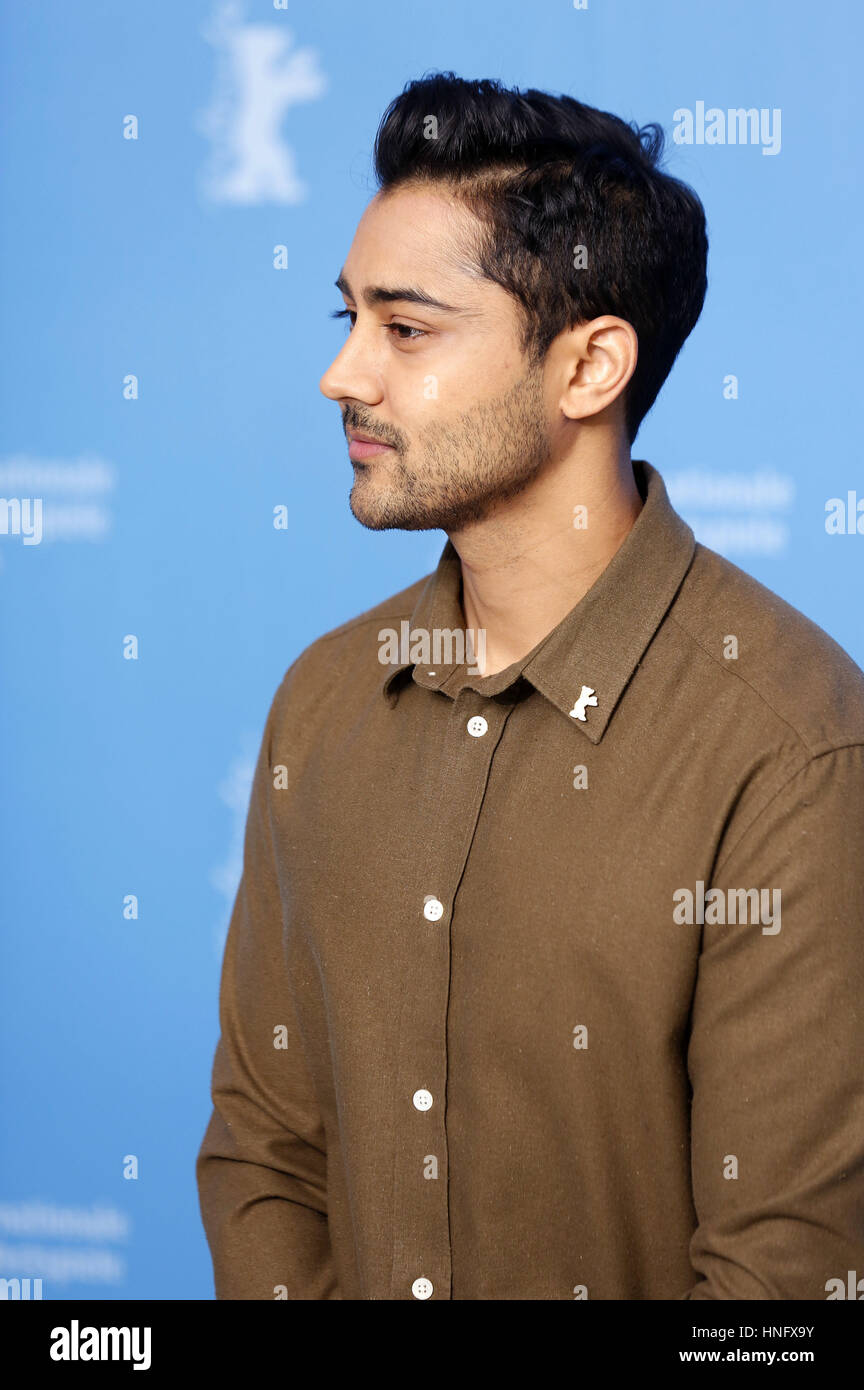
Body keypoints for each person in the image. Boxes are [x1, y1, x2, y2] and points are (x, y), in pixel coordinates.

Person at [196, 73, 864, 1300]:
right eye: (346, 317)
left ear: (590, 365)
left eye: (406, 329)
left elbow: (785, 1275)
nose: (344, 374)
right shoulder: (326, 700)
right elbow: (268, 1153)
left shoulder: (791, 743)